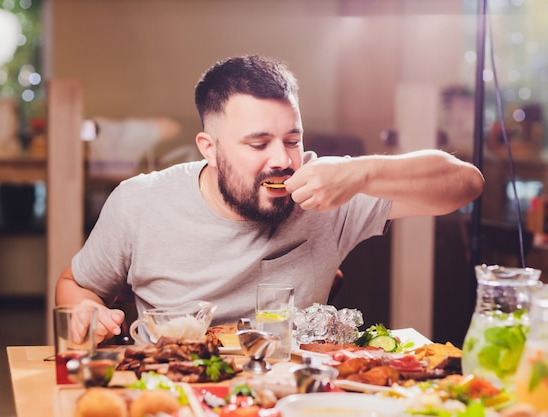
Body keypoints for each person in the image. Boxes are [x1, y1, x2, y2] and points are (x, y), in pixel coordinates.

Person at [56, 54, 484, 344]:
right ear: (210, 147)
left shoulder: (329, 186)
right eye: (258, 144)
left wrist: (361, 172)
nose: (282, 159)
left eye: (292, 139)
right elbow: (75, 285)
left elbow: (465, 184)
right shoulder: (140, 203)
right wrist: (88, 312)